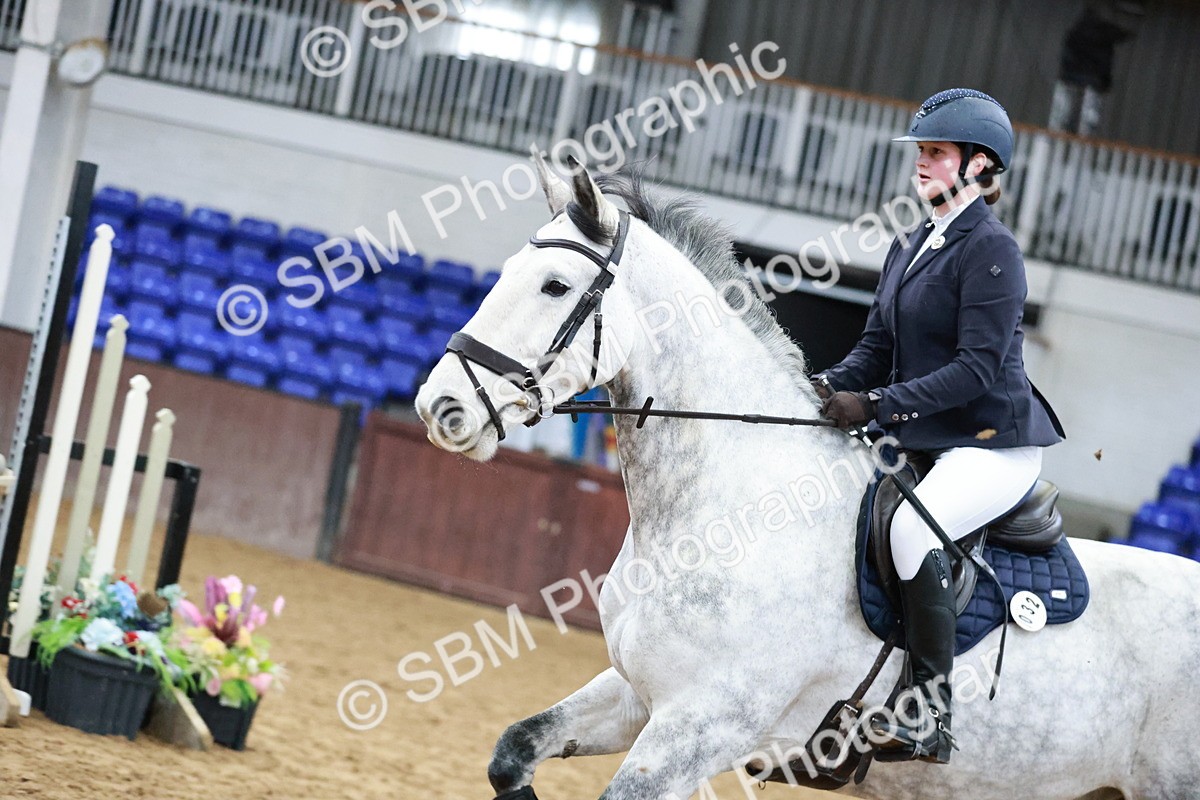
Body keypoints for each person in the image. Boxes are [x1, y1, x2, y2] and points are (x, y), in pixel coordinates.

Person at [810, 89, 1066, 764]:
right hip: (929, 436)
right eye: (920, 153)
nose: (921, 165)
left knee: (910, 528)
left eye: (936, 153)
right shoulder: (911, 243)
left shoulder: (993, 253)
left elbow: (975, 372)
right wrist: (826, 385)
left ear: (980, 166)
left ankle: (928, 713)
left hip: (992, 442)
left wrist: (874, 407)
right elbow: (875, 349)